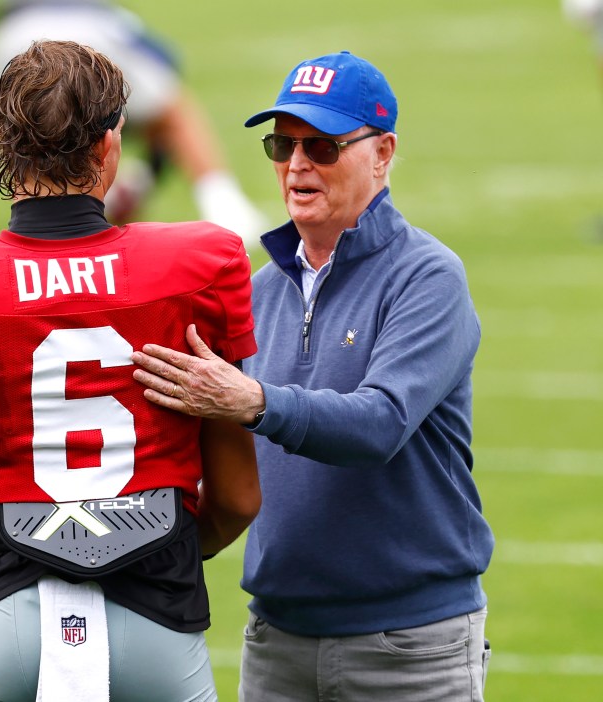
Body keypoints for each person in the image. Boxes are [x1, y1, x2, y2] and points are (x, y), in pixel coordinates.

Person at [0, 39, 261, 702]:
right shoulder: (202, 263)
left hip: (1, 615)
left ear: (1, 147)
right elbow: (236, 499)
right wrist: (154, 553)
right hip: (155, 613)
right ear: (110, 147)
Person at [130, 51, 495, 701]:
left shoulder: (428, 277)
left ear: (382, 153)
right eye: (282, 144)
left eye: (322, 147)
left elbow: (379, 424)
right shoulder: (258, 290)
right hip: (277, 640)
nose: (296, 164)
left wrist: (254, 400)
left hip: (410, 645)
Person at [0, 0, 266, 244]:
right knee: (176, 113)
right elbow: (166, 109)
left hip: (16, 29)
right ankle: (226, 205)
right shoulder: (133, 37)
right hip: (92, 26)